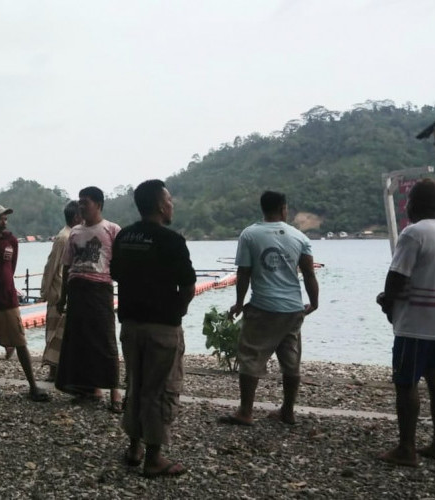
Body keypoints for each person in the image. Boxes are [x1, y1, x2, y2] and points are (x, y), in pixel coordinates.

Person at [110, 179, 196, 478]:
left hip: (130, 323)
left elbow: (116, 273)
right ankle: (154, 457)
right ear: (160, 205)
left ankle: (134, 447)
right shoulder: (171, 240)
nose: (172, 204)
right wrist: (179, 310)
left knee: (135, 384)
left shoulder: (124, 236)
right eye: (169, 199)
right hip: (161, 326)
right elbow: (187, 285)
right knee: (160, 390)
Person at [376, 178, 435, 467]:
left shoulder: (413, 233)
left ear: (412, 205)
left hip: (417, 322)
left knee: (406, 382)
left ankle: (407, 448)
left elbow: (396, 277)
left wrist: (386, 302)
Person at [220, 190, 319, 426]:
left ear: (263, 209)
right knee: (291, 360)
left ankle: (245, 411)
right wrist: (314, 303)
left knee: (251, 357)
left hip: (263, 307)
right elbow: (308, 273)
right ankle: (288, 410)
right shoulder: (300, 237)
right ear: (284, 209)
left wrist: (239, 302)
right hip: (293, 309)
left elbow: (243, 273)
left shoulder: (250, 234)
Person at [0, 204, 50, 402]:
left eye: (5, 218)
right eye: (0, 218)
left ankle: (32, 385)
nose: (4, 222)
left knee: (20, 341)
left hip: (8, 299)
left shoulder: (12, 241)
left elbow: (10, 269)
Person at [55, 186, 123, 411]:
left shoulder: (112, 229)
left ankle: (115, 392)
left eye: (86, 202)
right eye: (80, 202)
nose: (82, 206)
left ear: (99, 204)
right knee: (79, 341)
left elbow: (122, 264)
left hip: (100, 288)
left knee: (105, 339)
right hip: (77, 288)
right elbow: (67, 266)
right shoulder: (74, 232)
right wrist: (63, 296)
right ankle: (87, 389)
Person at [40, 201, 81, 382]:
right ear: (76, 217)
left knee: (62, 334)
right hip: (58, 291)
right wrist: (45, 291)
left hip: (65, 291)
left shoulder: (73, 235)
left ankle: (60, 370)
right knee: (54, 333)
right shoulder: (64, 237)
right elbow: (52, 266)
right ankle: (53, 372)